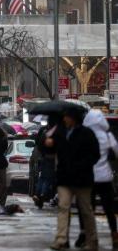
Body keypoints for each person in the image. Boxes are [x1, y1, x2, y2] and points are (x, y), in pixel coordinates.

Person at [50, 106, 100, 251]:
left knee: (86, 210)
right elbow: (49, 148)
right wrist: (48, 144)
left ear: (74, 118)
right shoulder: (60, 132)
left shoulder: (86, 133)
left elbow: (94, 155)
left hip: (82, 178)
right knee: (63, 207)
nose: (64, 119)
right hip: (65, 178)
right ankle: (60, 239)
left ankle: (92, 240)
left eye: (67, 116)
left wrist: (81, 165)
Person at [76, 110, 118, 249]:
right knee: (109, 209)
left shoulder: (85, 135)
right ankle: (114, 233)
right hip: (105, 177)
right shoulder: (107, 135)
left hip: (89, 177)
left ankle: (87, 235)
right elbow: (116, 152)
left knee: (87, 208)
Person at [33, 114, 60, 208]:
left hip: (43, 157)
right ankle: (42, 194)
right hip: (52, 158)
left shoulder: (43, 131)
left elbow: (38, 144)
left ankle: (37, 193)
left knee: (42, 177)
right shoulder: (56, 132)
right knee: (48, 178)